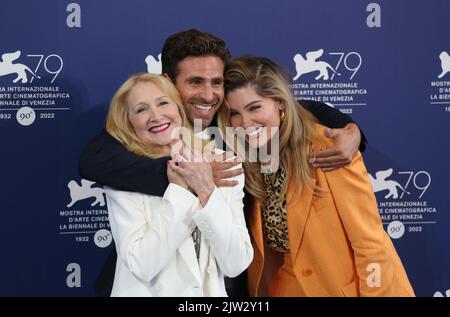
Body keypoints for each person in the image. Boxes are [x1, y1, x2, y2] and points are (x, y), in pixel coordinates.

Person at [80, 29, 366, 296]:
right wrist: (183, 176)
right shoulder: (141, 133)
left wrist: (351, 129)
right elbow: (93, 161)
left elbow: (290, 105)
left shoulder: (233, 120)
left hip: (227, 283)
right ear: (168, 82)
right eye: (194, 82)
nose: (208, 95)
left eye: (216, 82)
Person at [217, 56, 415, 297]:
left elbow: (370, 244)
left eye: (255, 107)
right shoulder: (243, 159)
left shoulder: (329, 147)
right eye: (235, 114)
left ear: (280, 102)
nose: (245, 123)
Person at [103, 72, 253, 296]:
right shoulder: (123, 176)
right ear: (128, 122)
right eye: (141, 109)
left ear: (179, 109)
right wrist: (180, 191)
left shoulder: (224, 163)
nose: (156, 115)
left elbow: (236, 263)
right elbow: (141, 265)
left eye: (163, 103)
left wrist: (206, 190)